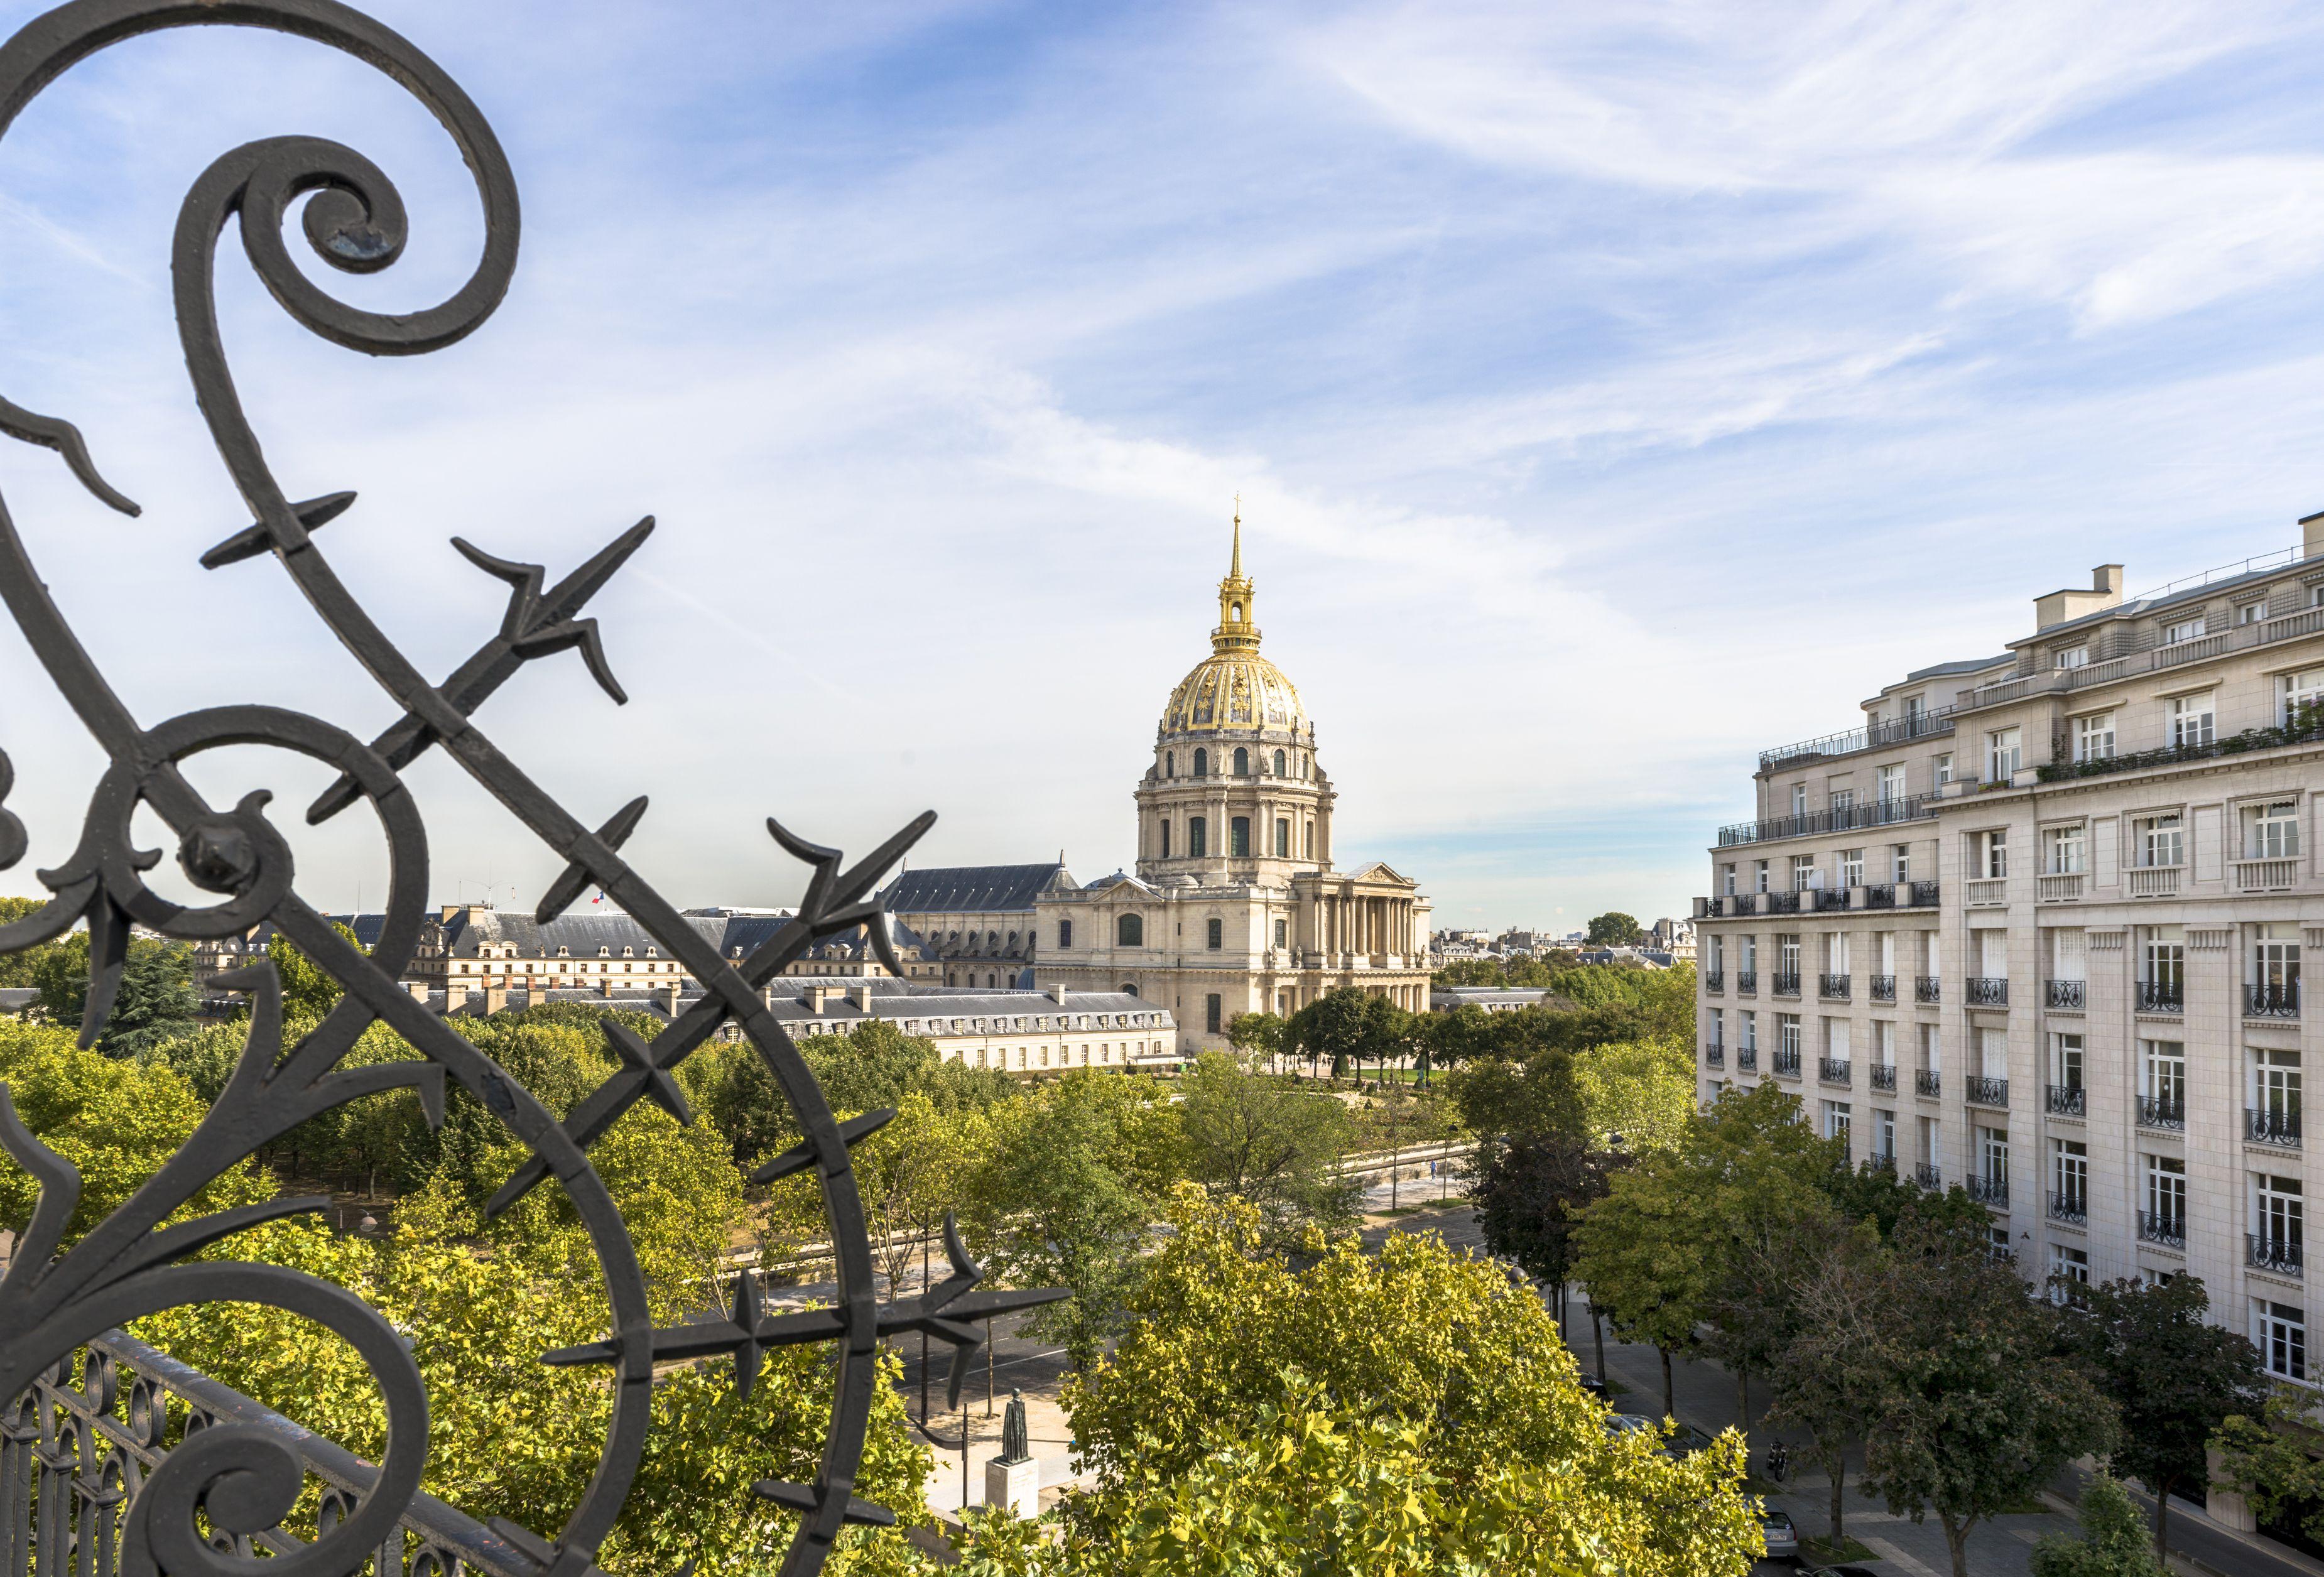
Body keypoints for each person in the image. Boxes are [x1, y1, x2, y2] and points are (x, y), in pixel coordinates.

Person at [1001, 1389, 1030, 1464]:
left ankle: (1011, 1455)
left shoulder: (1010, 1404)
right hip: (1020, 1426)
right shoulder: (1022, 1403)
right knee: (1020, 1437)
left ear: (1012, 1394)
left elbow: (1008, 1419)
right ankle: (1020, 1455)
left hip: (1013, 1426)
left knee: (1012, 1437)